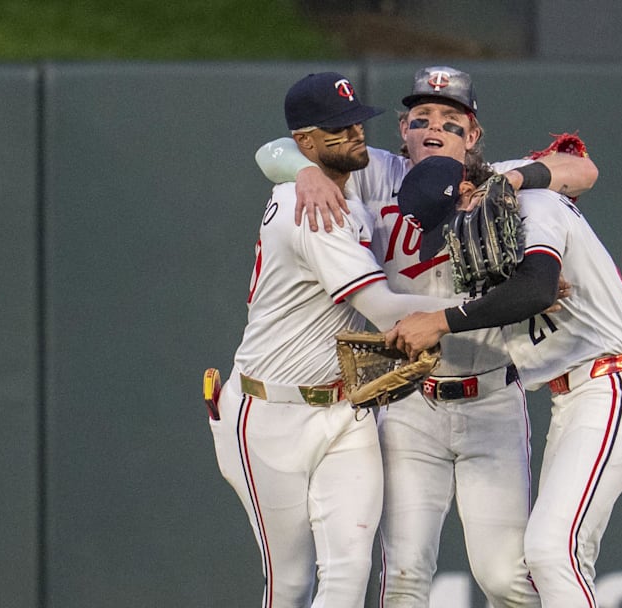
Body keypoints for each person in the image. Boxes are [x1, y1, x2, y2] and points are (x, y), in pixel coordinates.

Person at [255, 66, 598, 608]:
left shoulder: (491, 178)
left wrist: (506, 181)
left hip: (491, 400)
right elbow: (272, 149)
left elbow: (581, 169)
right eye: (421, 119)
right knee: (406, 577)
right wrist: (303, 171)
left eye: (452, 121)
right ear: (402, 131)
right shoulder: (376, 173)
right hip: (411, 400)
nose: (435, 128)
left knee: (506, 576)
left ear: (474, 135)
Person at [208, 71, 460, 608]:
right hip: (268, 411)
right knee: (291, 586)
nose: (355, 135)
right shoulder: (312, 212)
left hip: (347, 409)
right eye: (339, 129)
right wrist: (487, 310)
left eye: (357, 123)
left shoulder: (348, 184)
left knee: (348, 576)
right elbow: (385, 309)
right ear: (306, 142)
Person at [385, 156, 622, 608]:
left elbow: (535, 288)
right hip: (573, 400)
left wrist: (440, 321)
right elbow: (525, 292)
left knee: (551, 550)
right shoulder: (496, 233)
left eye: (451, 221)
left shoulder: (531, 206)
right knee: (561, 561)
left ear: (466, 193)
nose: (452, 240)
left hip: (611, 385)